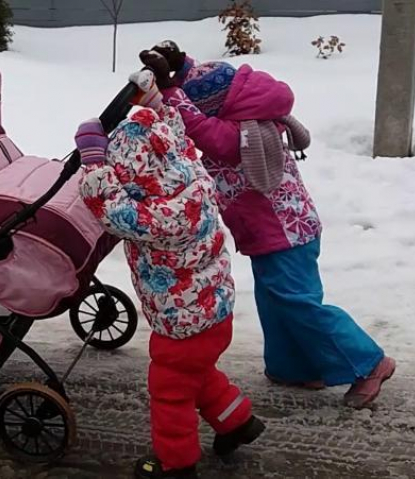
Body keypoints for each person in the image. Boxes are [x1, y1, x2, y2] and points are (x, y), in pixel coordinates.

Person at [132, 41, 395, 409]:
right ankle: (293, 367)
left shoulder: (248, 132)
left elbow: (205, 132)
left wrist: (171, 93)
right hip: (266, 234)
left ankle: (369, 363)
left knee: (297, 303)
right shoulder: (241, 111)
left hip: (286, 234)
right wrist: (180, 67)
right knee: (274, 302)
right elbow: (204, 104)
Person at [75, 98, 263, 478]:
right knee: (197, 375)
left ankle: (175, 464)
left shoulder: (157, 216)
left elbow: (111, 207)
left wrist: (94, 162)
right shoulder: (190, 176)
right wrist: (157, 104)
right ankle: (238, 422)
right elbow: (177, 139)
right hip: (215, 312)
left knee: (170, 392)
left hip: (181, 327)